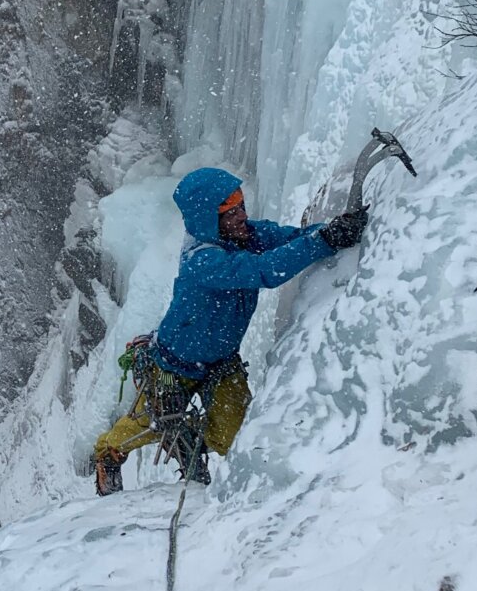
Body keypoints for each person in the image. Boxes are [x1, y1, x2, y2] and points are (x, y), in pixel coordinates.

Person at [92, 166, 367, 494]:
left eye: (240, 205)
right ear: (209, 219)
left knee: (236, 438)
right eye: (229, 211)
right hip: (172, 366)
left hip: (221, 363)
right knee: (147, 424)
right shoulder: (202, 262)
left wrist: (332, 231)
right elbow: (266, 270)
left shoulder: (248, 236)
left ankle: (189, 436)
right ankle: (107, 453)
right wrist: (323, 241)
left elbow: (292, 238)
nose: (241, 215)